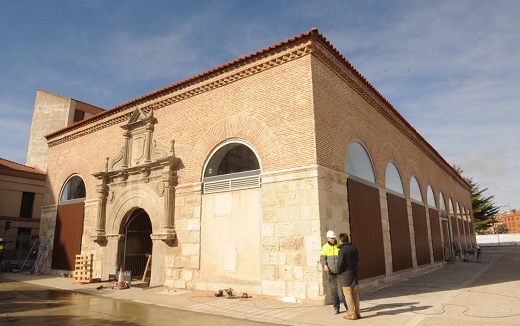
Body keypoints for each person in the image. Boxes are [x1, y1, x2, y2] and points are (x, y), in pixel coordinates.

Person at [320, 230, 347, 314]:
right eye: (331, 238)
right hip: (331, 273)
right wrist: (324, 265)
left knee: (344, 290)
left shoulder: (339, 246)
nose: (333, 239)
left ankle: (347, 307)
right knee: (334, 290)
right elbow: (322, 258)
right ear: (328, 239)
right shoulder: (325, 247)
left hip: (340, 272)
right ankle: (336, 307)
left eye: (334, 238)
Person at [337, 233, 361, 320]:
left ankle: (352, 314)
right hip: (354, 273)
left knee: (348, 294)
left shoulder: (342, 250)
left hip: (345, 275)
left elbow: (340, 263)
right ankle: (357, 313)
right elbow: (357, 259)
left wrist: (338, 272)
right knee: (355, 294)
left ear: (341, 241)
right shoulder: (354, 248)